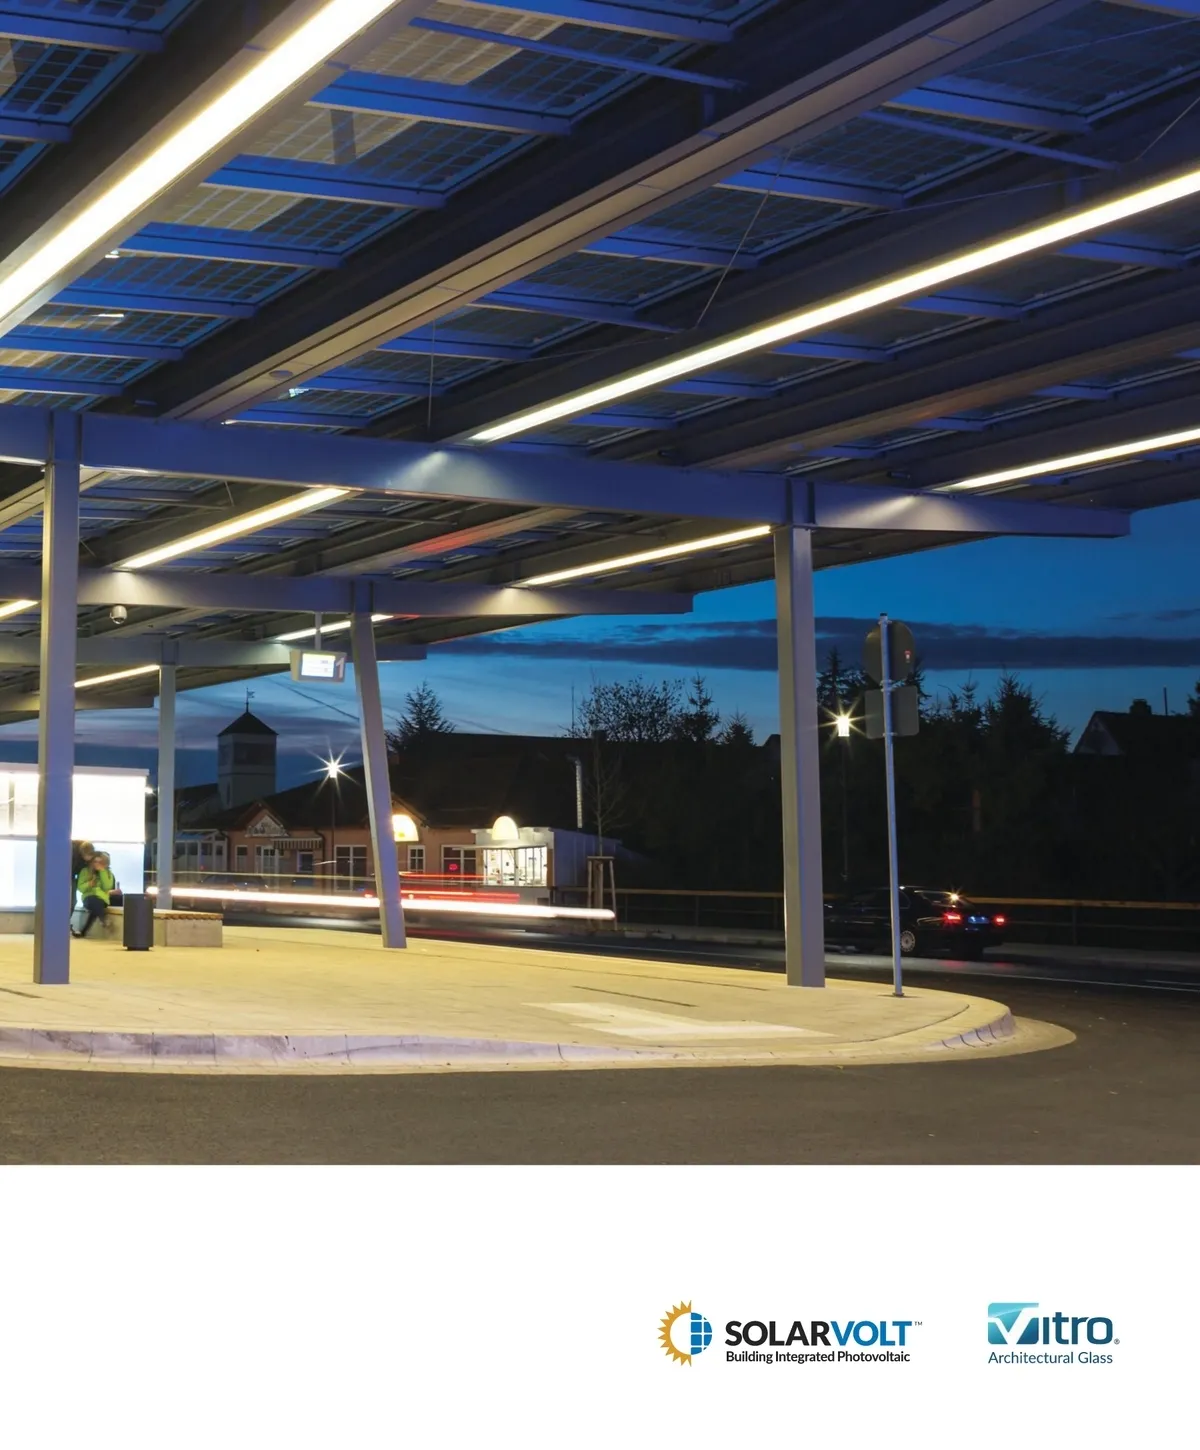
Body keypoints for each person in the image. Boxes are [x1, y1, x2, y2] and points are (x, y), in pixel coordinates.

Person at [73, 852, 115, 938]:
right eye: (95, 862)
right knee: (94, 903)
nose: (97, 864)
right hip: (88, 897)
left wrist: (102, 871)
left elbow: (107, 887)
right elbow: (80, 888)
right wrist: (89, 884)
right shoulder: (85, 871)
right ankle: (103, 918)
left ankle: (82, 931)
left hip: (102, 898)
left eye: (100, 862)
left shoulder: (108, 873)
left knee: (96, 906)